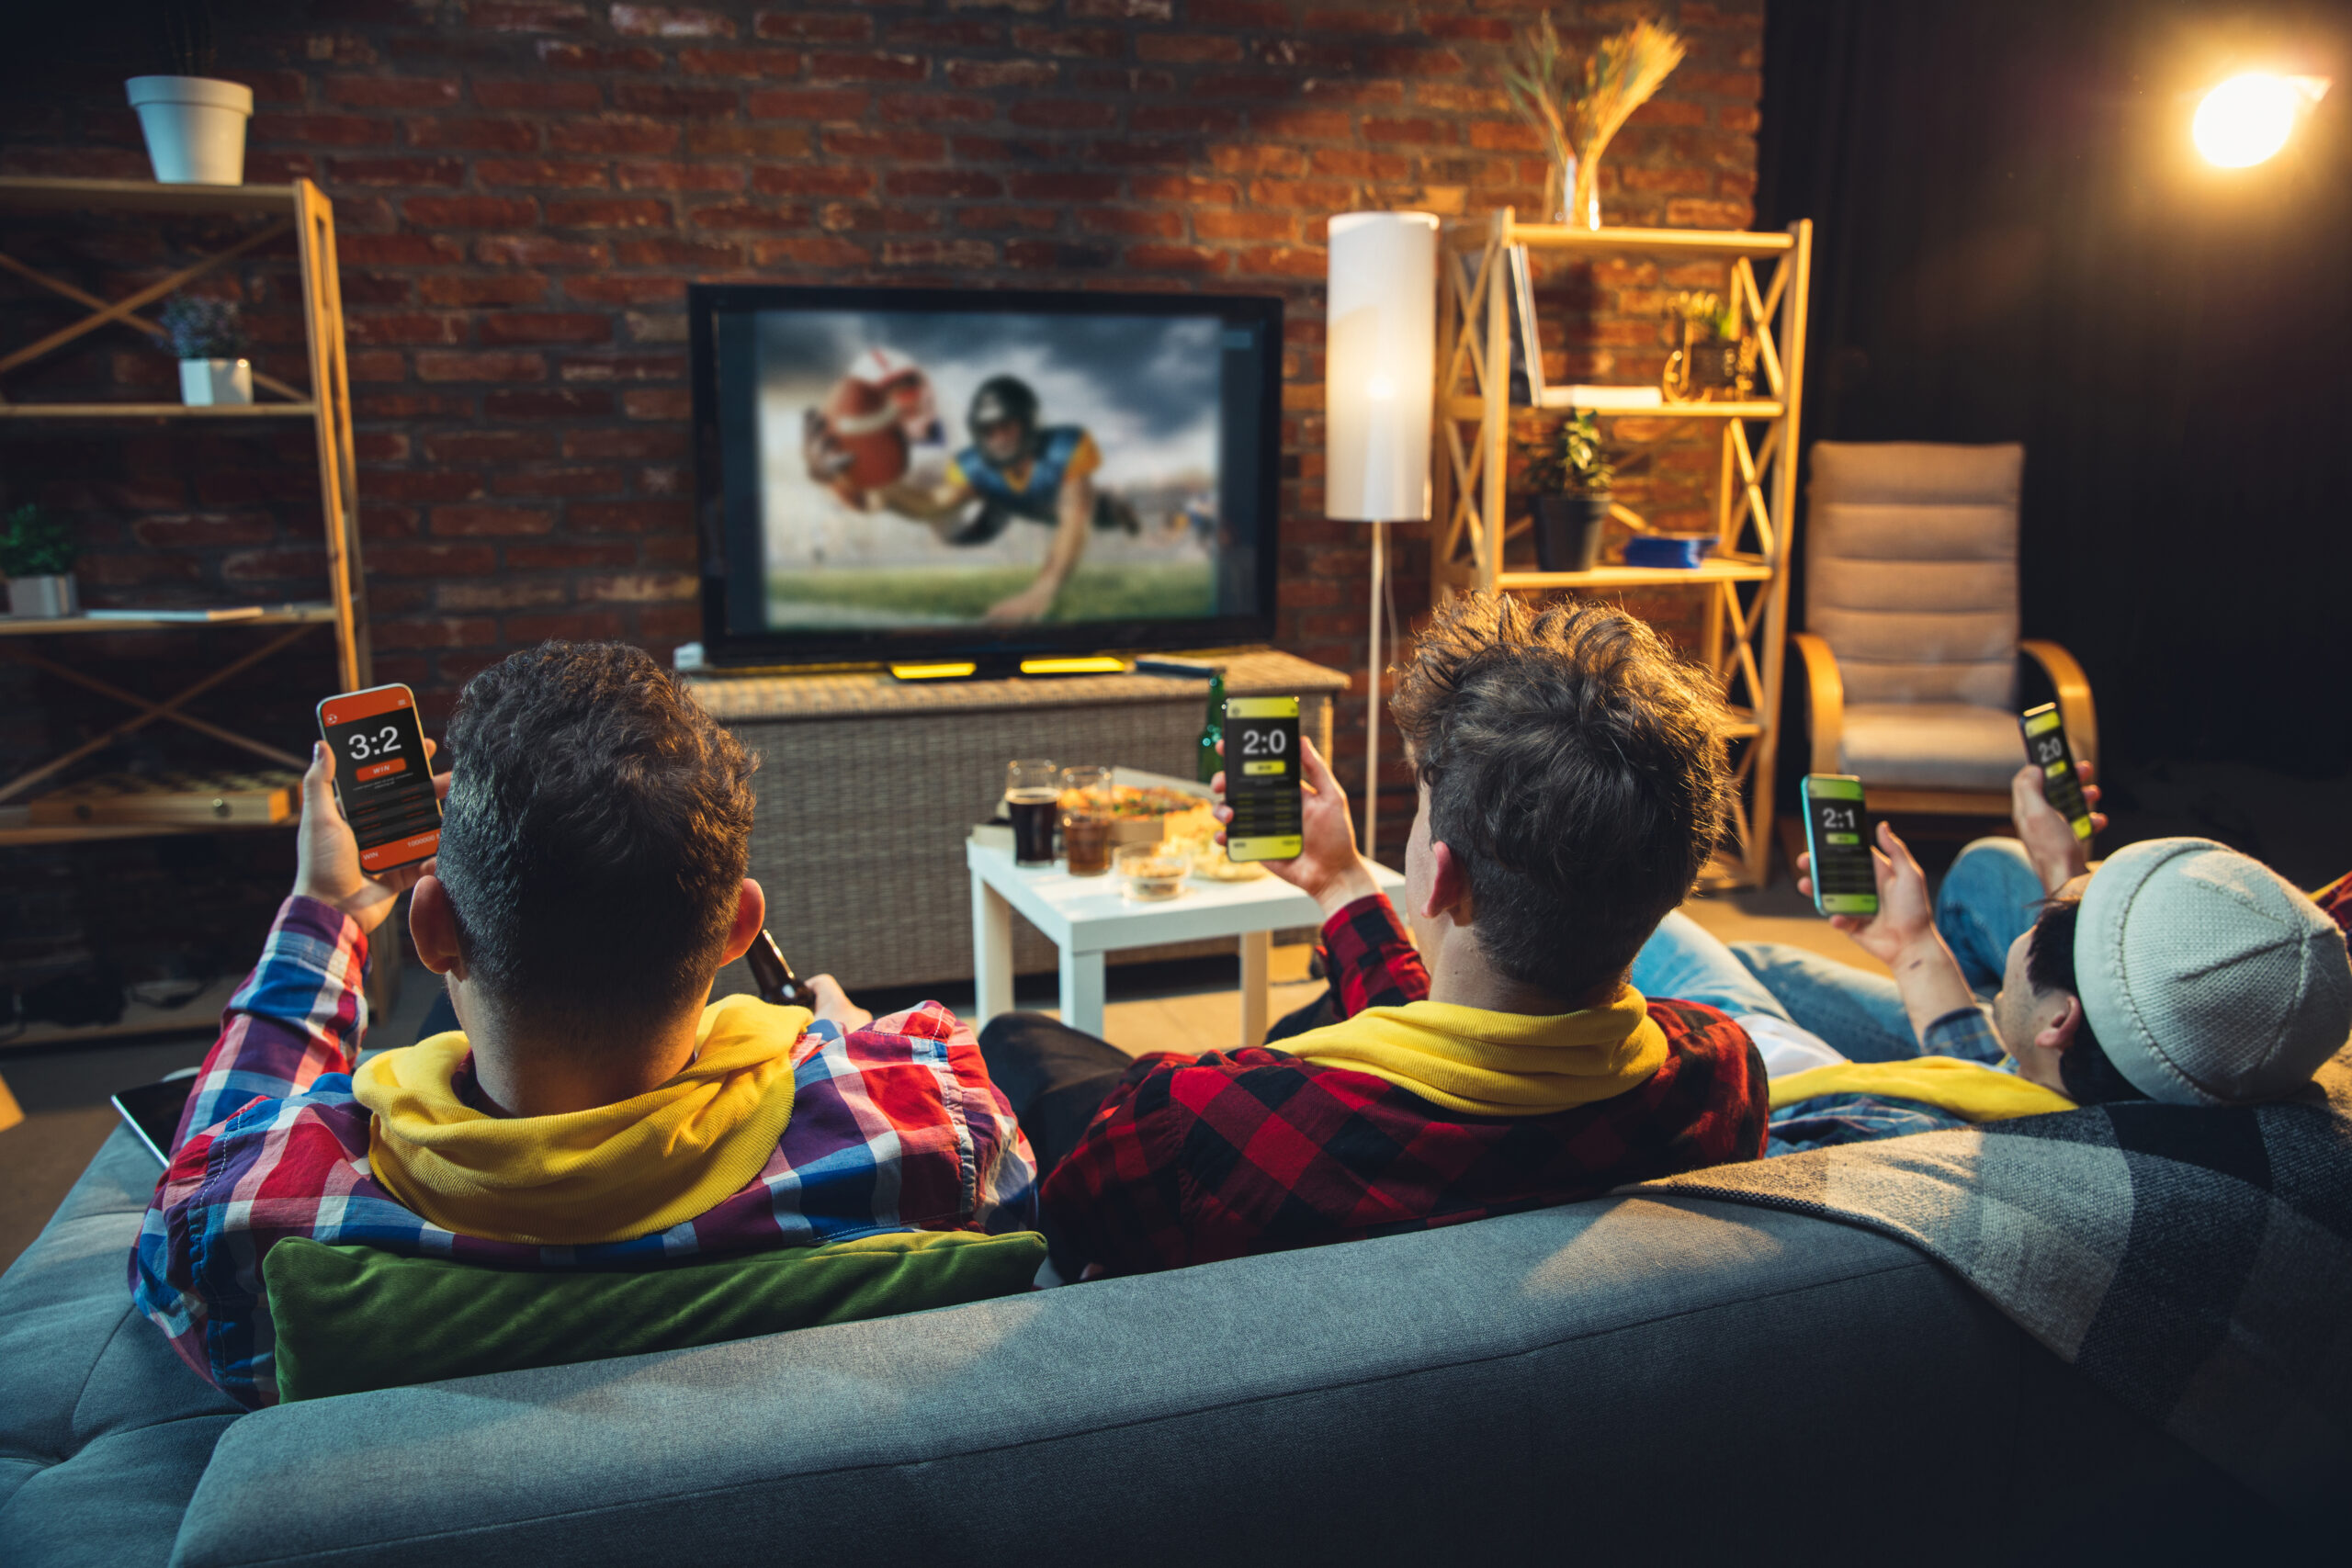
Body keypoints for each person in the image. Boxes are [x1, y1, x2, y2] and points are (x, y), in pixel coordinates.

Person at [132, 643, 1036, 1408]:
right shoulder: (939, 1125)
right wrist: (843, 1041)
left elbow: (207, 1152)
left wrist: (323, 910)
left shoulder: (243, 1229)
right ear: (737, 927)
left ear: (434, 930)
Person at [981, 593, 1770, 1280]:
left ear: (1436, 878)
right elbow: (1469, 1052)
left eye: (1420, 808)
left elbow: (1071, 1226)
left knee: (1018, 1039)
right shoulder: (1721, 1075)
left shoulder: (1192, 1123)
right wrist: (1339, 881)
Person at [1633, 764, 2352, 1151]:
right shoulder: (2076, 1100)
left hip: (1780, 1080)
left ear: (2059, 1020)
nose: (2028, 920)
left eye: (2039, 921)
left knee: (1664, 929)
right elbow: (1991, 1075)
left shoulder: (1898, 1132)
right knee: (1764, 954)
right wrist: (1912, 943)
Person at [808, 374, 1139, 625]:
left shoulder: (1063, 447)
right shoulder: (974, 465)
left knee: (1104, 514)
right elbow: (931, 504)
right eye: (988, 430)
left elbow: (1074, 520)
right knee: (966, 527)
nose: (997, 438)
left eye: (1006, 426)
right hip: (1006, 501)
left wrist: (1043, 589)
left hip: (1067, 502)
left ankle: (1119, 506)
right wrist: (865, 481)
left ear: (1029, 422)